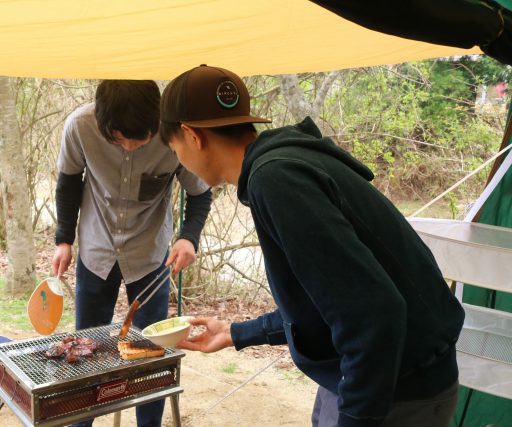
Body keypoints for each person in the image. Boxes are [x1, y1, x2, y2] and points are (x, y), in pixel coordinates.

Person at [159, 65, 465, 427]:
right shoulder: (290, 163)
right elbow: (329, 303)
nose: (179, 160)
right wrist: (235, 333)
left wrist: (355, 419)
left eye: (173, 148)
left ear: (191, 135)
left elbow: (373, 311)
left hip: (396, 388)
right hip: (369, 373)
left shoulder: (276, 179)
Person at [52, 79, 211, 427]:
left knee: (150, 355)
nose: (130, 146)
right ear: (104, 124)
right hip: (96, 251)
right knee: (86, 349)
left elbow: (201, 193)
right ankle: (82, 423)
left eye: (140, 139)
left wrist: (189, 238)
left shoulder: (176, 134)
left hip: (151, 257)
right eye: (120, 138)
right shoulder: (80, 126)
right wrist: (64, 238)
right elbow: (68, 181)